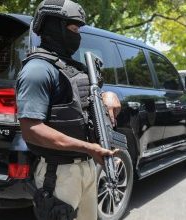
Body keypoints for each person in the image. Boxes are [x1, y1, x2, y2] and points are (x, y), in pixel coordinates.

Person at [15, 0, 120, 219]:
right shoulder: (37, 70)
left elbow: (80, 102)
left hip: (86, 167)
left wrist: (107, 96)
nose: (78, 35)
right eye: (73, 28)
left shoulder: (70, 67)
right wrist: (89, 147)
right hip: (59, 175)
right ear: (55, 27)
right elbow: (31, 129)